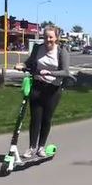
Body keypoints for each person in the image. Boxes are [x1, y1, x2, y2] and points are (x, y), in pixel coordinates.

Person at [15, 26, 71, 158]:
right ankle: (31, 148)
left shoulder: (62, 51)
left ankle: (41, 147)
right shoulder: (37, 48)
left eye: (51, 37)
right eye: (46, 36)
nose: (48, 39)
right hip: (37, 86)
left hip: (53, 89)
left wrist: (50, 72)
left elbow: (66, 72)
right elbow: (29, 63)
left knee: (46, 119)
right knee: (35, 118)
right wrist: (22, 66)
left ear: (56, 38)